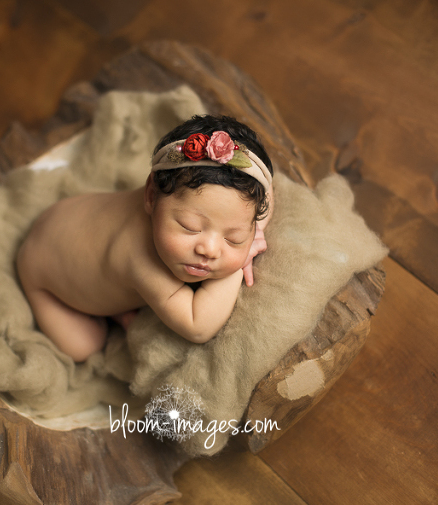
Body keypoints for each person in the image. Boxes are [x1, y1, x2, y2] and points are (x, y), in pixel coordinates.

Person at [16, 115, 274, 362]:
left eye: (233, 237)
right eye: (190, 227)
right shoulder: (139, 256)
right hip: (42, 267)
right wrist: (241, 258)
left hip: (69, 215)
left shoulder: (174, 195)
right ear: (151, 195)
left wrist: (253, 231)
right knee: (85, 345)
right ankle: (87, 305)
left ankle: (117, 301)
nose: (210, 249)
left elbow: (268, 192)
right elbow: (198, 326)